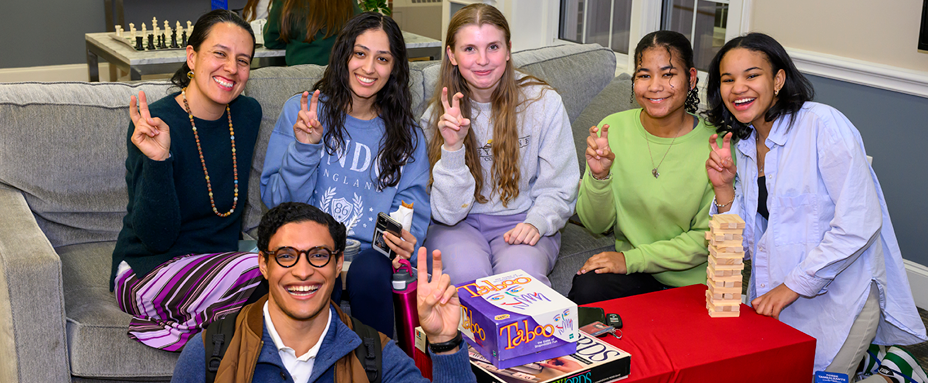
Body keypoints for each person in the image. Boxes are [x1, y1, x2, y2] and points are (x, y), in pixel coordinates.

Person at [704, 32, 927, 381]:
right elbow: (746, 246)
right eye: (727, 79)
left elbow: (860, 224)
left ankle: (895, 374)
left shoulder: (823, 125)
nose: (738, 88)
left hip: (842, 294)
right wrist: (723, 190)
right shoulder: (746, 143)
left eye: (751, 75)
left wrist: (793, 286)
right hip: (776, 295)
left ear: (778, 80)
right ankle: (868, 363)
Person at [170, 202, 476, 383]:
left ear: (338, 262)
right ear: (264, 264)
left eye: (318, 255)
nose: (303, 271)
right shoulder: (210, 352)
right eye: (286, 255)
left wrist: (445, 342)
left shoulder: (376, 356)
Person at [261, 12, 430, 337]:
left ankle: (375, 367)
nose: (369, 68)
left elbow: (413, 213)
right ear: (344, 56)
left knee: (367, 273)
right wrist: (305, 148)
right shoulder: (304, 110)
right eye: (360, 53)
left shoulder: (408, 136)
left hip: (371, 255)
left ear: (394, 68)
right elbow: (277, 204)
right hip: (308, 243)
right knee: (317, 263)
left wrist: (407, 241)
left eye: (382, 58)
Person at [110, 9, 264, 351]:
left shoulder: (247, 114)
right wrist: (158, 160)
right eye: (219, 53)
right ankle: (204, 333)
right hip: (147, 270)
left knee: (295, 263)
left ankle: (205, 330)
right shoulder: (156, 122)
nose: (231, 69)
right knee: (271, 270)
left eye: (243, 60)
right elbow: (155, 237)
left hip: (218, 267)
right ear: (192, 57)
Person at [422, 3, 580, 287]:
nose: (482, 60)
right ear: (452, 55)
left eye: (493, 47)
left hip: (523, 219)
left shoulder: (544, 103)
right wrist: (453, 149)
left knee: (522, 281)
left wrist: (538, 221)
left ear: (508, 50)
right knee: (465, 276)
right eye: (469, 48)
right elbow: (445, 213)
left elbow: (560, 185)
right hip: (458, 225)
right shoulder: (437, 117)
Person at [566, 31, 716, 304]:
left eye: (668, 74)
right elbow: (596, 225)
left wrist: (629, 259)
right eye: (644, 75)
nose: (654, 86)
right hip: (634, 276)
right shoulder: (613, 128)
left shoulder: (716, 146)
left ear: (691, 78)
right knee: (588, 287)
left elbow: (705, 240)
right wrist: (600, 177)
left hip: (690, 283)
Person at [263, 0, 361, 66]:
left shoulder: (287, 2)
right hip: (338, 76)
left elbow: (271, 40)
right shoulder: (348, 3)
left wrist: (296, 41)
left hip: (300, 75)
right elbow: (360, 30)